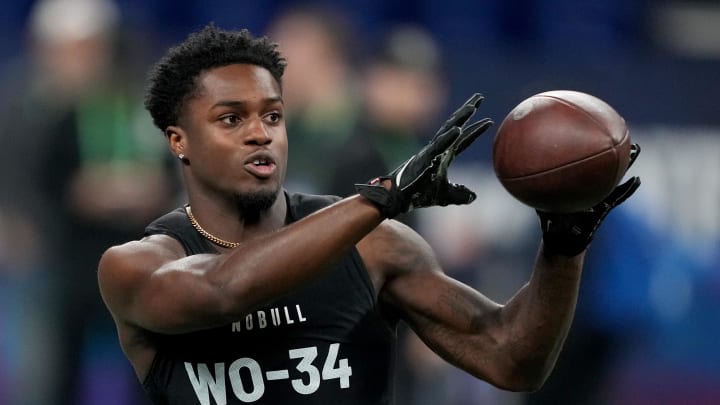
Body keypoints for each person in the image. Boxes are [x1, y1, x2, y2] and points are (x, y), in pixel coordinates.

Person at [97, 24, 641, 405]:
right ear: (179, 141)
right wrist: (381, 198)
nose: (260, 132)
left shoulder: (376, 246)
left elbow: (512, 360)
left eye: (273, 115)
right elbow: (223, 292)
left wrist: (563, 251)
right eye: (231, 118)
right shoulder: (136, 267)